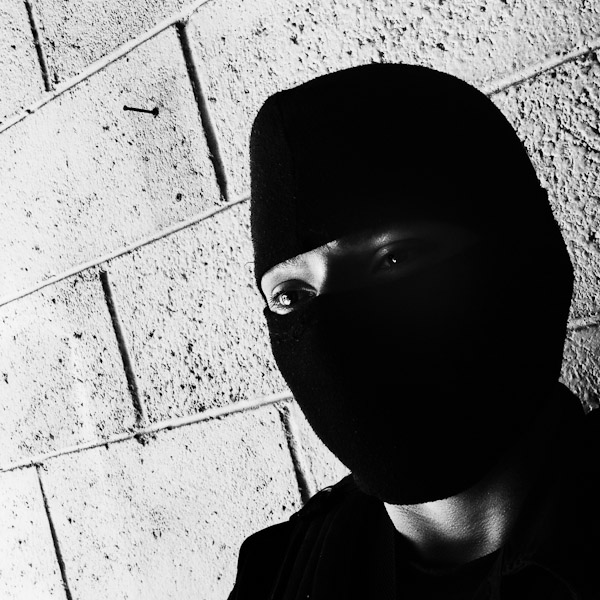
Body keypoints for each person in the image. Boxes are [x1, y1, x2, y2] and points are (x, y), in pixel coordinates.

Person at [227, 63, 600, 599]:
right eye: (292, 295)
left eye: (394, 258)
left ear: (520, 259)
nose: (334, 332)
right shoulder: (274, 575)